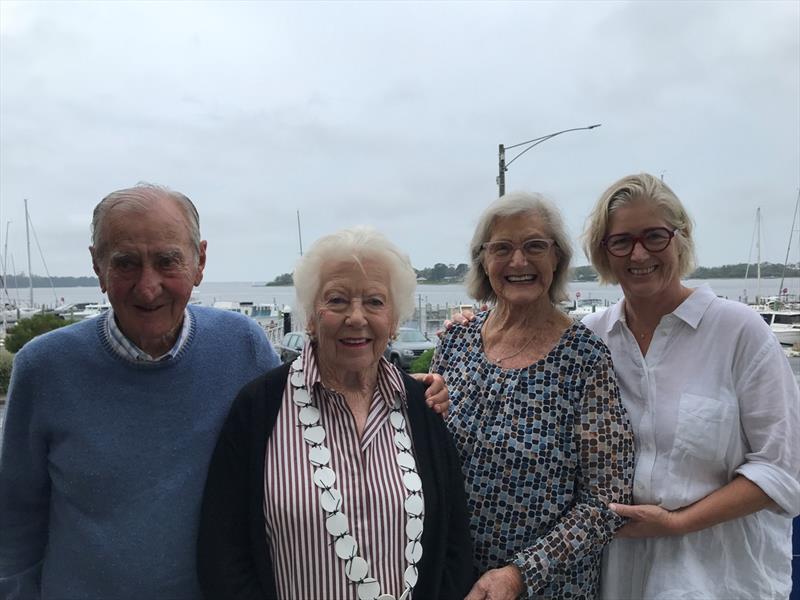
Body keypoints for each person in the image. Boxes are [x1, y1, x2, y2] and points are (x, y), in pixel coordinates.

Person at [0, 183, 451, 599]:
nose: (148, 284)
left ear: (199, 263)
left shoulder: (240, 344)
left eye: (167, 260)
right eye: (125, 262)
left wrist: (405, 390)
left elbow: (310, 401)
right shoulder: (44, 367)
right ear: (97, 265)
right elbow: (15, 515)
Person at [197, 226, 474, 600]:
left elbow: (454, 542)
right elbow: (223, 553)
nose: (356, 317)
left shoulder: (422, 407)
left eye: (375, 301)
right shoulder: (258, 408)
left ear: (393, 320)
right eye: (338, 300)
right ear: (311, 316)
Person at [581, 173, 800, 599]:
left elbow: (782, 469)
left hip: (722, 579)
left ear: (681, 238)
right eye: (621, 240)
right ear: (604, 252)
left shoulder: (739, 331)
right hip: (620, 579)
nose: (639, 253)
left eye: (655, 236)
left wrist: (678, 522)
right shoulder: (591, 338)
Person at [430, 192, 634, 599]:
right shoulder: (456, 341)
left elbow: (606, 503)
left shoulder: (584, 359)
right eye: (502, 248)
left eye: (535, 246)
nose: (518, 262)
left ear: (556, 258)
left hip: (545, 588)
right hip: (450, 578)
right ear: (483, 261)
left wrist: (519, 574)